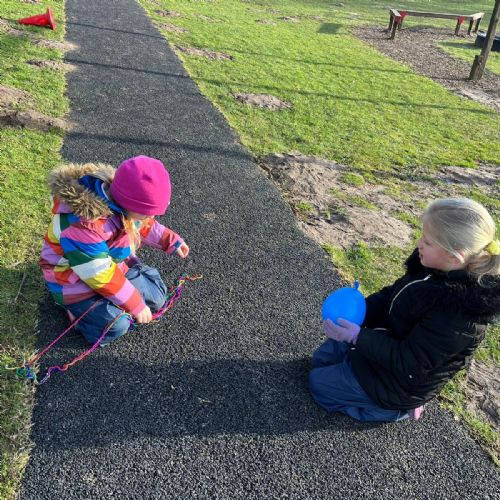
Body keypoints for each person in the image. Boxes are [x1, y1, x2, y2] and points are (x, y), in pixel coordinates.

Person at [309, 198, 500, 422]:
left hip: (400, 383)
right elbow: (392, 294)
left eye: (427, 242)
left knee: (318, 385)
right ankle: (355, 371)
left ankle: (392, 412)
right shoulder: (430, 268)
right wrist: (360, 313)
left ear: (454, 256)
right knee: (320, 360)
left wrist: (357, 336)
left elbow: (410, 363)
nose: (419, 243)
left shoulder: (459, 318)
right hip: (382, 343)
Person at [39, 155, 189, 346]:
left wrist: (170, 240)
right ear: (128, 204)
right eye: (146, 212)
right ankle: (78, 317)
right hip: (73, 282)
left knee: (157, 297)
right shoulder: (84, 225)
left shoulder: (124, 204)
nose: (149, 217)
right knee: (117, 325)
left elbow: (143, 224)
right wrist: (134, 303)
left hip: (110, 265)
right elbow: (99, 275)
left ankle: (120, 292)